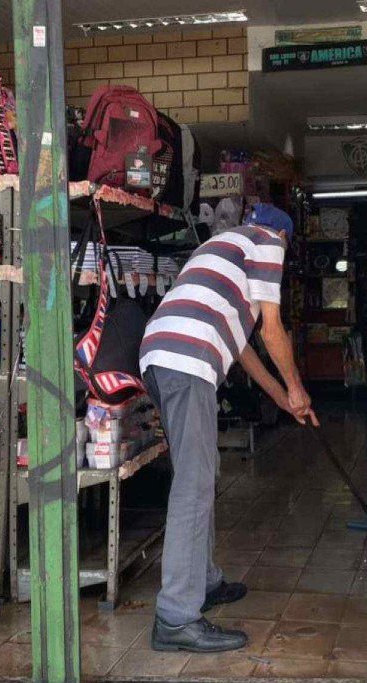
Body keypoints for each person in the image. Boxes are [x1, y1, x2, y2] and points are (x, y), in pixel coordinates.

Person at [139, 203, 318, 653]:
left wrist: (281, 398)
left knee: (199, 473)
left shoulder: (221, 247)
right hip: (188, 360)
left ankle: (203, 581)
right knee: (194, 484)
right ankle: (176, 617)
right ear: (283, 237)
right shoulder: (268, 244)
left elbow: (242, 348)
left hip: (163, 356)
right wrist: (296, 386)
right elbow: (273, 332)